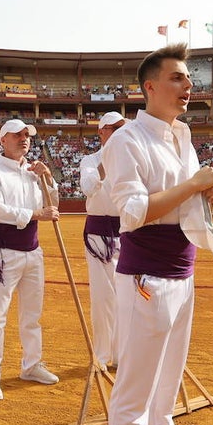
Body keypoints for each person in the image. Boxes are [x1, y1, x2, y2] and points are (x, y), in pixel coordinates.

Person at [102, 43, 213, 425]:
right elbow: (132, 212)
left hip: (183, 268)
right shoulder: (127, 140)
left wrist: (204, 189)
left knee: (172, 371)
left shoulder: (182, 134)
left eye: (189, 78)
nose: (187, 85)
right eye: (177, 78)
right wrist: (193, 184)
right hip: (145, 277)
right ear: (150, 86)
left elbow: (182, 198)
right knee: (134, 386)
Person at [0, 119, 60, 401]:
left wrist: (47, 178)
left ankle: (32, 365)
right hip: (3, 251)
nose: (24, 139)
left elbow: (53, 204)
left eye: (27, 135)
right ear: (3, 140)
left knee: (32, 314)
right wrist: (37, 215)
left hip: (32, 251)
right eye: (18, 135)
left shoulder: (34, 172)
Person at [79, 111, 126, 370]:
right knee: (101, 296)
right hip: (98, 236)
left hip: (127, 233)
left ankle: (120, 355)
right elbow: (88, 187)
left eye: (122, 128)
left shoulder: (132, 160)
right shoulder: (89, 160)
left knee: (125, 297)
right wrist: (108, 160)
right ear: (102, 132)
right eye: (114, 128)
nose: (120, 133)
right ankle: (101, 354)